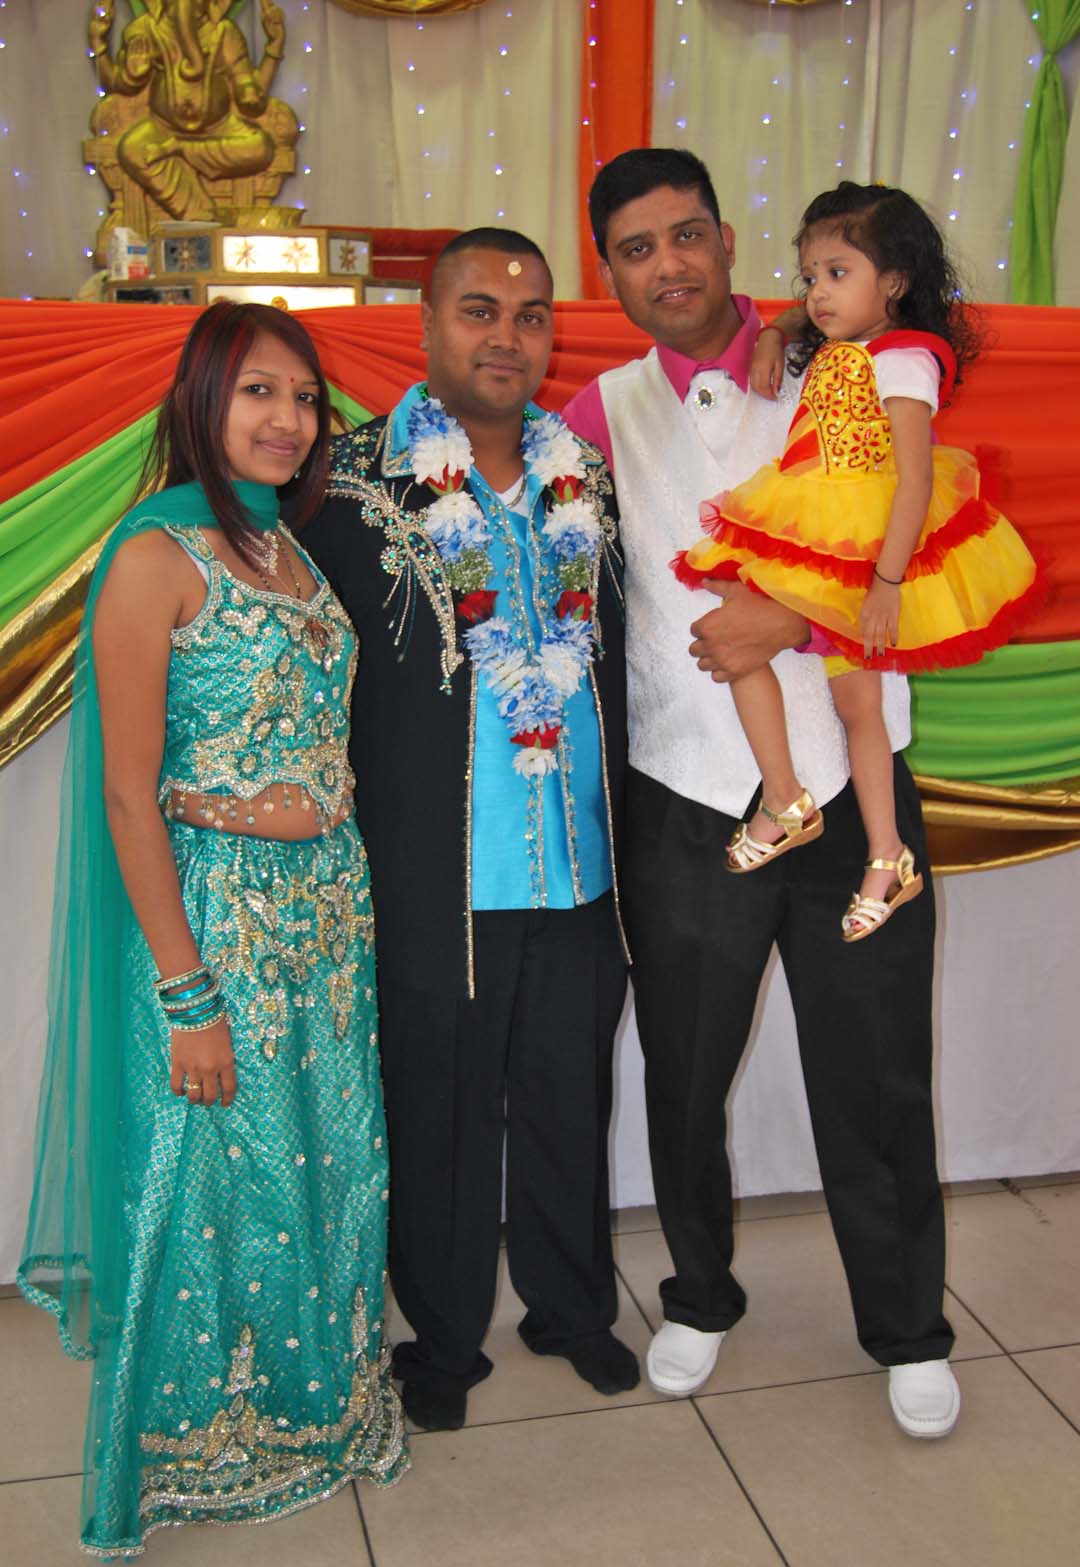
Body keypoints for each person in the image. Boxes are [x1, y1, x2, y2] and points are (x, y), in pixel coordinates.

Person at [563, 149, 960, 1438]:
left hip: (853, 785)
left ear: (728, 240)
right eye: (637, 249)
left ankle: (907, 1325)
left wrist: (787, 614)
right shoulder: (600, 412)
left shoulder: (837, 352)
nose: (668, 264)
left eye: (686, 234)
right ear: (611, 274)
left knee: (879, 1070)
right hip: (686, 791)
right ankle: (698, 1293)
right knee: (684, 1069)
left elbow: (916, 519)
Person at [19, 301, 407, 1558]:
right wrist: (186, 991)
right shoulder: (158, 553)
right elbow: (130, 792)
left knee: (326, 1162)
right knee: (209, 1178)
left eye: (303, 396)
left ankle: (319, 1413)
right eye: (258, 391)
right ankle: (193, 1447)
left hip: (327, 922)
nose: (288, 419)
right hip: (219, 921)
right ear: (201, 400)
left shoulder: (287, 546)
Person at [297, 227, 636, 1434]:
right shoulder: (347, 486)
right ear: (429, 323)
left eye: (532, 314)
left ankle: (573, 1306)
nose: (508, 335)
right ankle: (440, 1337)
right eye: (480, 309)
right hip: (436, 870)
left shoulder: (585, 479)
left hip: (580, 864)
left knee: (567, 1097)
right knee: (438, 1109)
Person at [676, 182, 1040, 939]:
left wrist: (886, 583)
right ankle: (789, 797)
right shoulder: (841, 347)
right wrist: (777, 331)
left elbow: (915, 478)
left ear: (895, 281)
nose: (817, 292)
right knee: (738, 629)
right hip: (809, 525)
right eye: (810, 275)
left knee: (858, 707)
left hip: (860, 541)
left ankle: (883, 854)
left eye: (837, 273)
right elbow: (802, 318)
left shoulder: (905, 361)